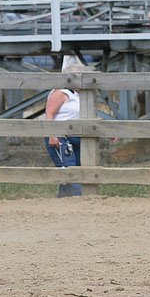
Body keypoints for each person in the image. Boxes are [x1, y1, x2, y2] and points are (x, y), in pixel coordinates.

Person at [44, 56, 89, 197]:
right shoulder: (61, 93)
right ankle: (76, 201)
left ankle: (63, 202)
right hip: (61, 137)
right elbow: (49, 114)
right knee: (69, 171)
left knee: (74, 171)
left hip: (76, 137)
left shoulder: (78, 94)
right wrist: (52, 135)